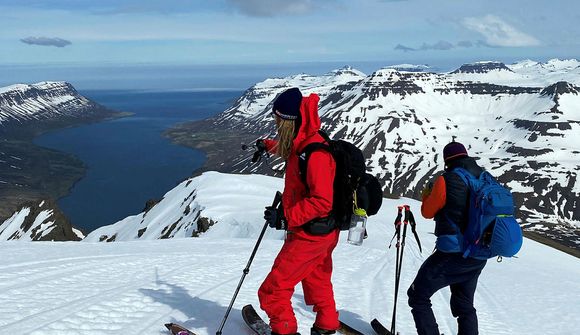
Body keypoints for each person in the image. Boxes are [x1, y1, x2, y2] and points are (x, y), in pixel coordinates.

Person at [257, 87, 340, 335]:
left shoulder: (315, 154)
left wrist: (286, 217)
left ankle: (284, 331)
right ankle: (326, 326)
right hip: (322, 231)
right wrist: (268, 145)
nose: (275, 123)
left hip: (309, 234)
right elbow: (290, 151)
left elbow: (322, 200)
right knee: (317, 282)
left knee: (274, 290)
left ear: (289, 120)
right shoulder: (306, 141)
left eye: (278, 120)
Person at [407, 141, 488, 335]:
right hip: (478, 254)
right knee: (465, 306)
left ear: (446, 161)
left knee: (418, 296)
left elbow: (427, 212)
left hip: (453, 253)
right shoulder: (485, 177)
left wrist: (427, 195)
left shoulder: (447, 179)